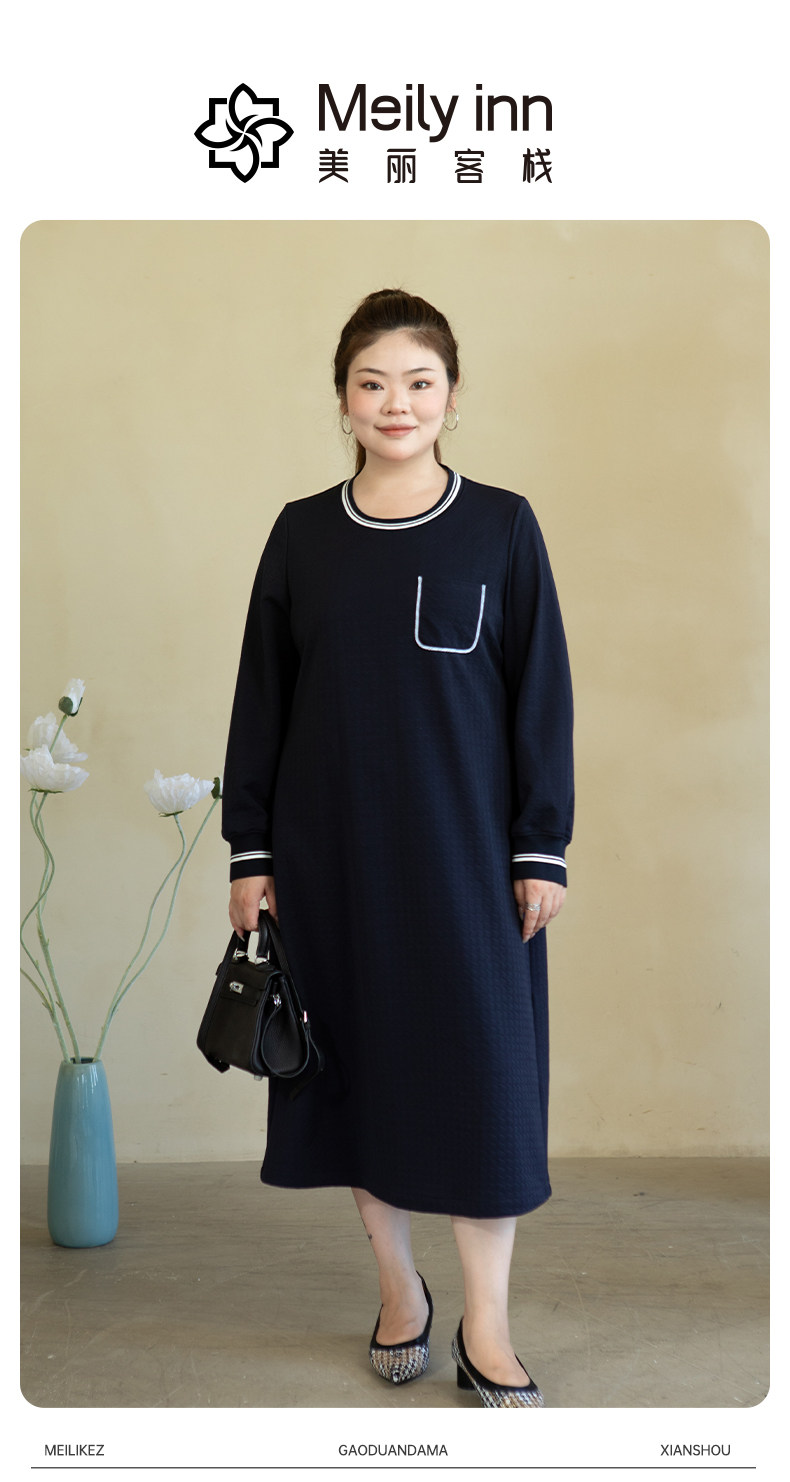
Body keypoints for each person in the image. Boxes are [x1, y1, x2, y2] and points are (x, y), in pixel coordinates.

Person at [222, 288, 574, 1408]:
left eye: (419, 382)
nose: (396, 403)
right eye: (372, 382)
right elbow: (262, 704)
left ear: (452, 397)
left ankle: (488, 1325)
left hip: (468, 866)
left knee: (484, 1089)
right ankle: (398, 1290)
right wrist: (250, 854)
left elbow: (540, 699)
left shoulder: (502, 526)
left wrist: (541, 848)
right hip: (331, 865)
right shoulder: (301, 535)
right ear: (342, 400)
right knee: (357, 1082)